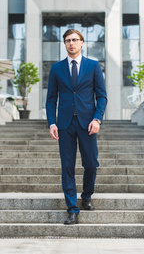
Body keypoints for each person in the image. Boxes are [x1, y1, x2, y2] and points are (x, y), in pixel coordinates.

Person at [46, 29, 108, 225]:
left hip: (87, 123)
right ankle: (72, 209)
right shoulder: (57, 68)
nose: (71, 43)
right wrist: (52, 122)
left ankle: (86, 196)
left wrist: (97, 119)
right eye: (67, 41)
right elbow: (50, 100)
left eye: (74, 40)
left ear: (82, 43)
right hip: (65, 124)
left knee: (91, 164)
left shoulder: (93, 66)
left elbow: (102, 96)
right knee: (67, 167)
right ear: (64, 44)